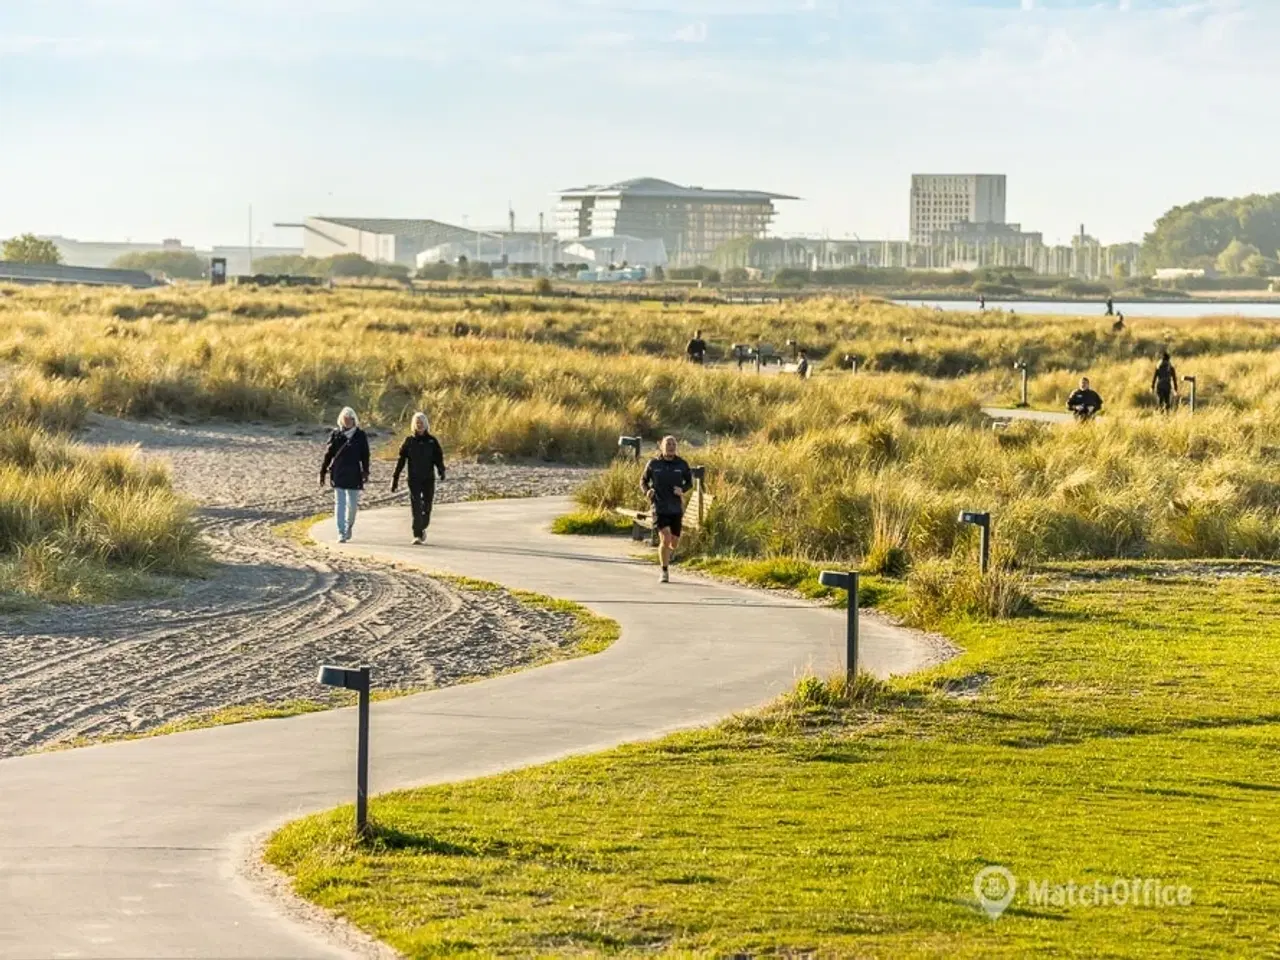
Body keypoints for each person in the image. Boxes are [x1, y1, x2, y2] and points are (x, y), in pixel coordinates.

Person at [641, 435, 693, 584]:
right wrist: (647, 491)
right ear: (661, 446)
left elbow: (689, 482)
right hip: (659, 506)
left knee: (674, 542)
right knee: (666, 538)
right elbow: (643, 481)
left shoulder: (682, 464)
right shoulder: (653, 464)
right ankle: (664, 571)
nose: (671, 446)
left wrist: (682, 489)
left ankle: (668, 554)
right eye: (668, 444)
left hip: (676, 508)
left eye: (673, 444)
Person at [391, 411, 446, 544]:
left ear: (426, 425)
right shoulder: (409, 441)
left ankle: (422, 527)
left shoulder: (432, 441)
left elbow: (438, 458)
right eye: (417, 423)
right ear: (414, 425)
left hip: (428, 478)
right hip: (413, 478)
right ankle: (417, 534)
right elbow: (401, 461)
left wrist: (441, 470)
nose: (419, 425)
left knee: (427, 507)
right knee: (416, 506)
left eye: (422, 423)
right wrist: (395, 478)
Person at [320, 407, 371, 543]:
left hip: (354, 473)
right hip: (339, 473)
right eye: (345, 419)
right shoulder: (336, 435)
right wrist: (323, 471)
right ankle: (341, 532)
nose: (347, 422)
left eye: (350, 419)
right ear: (341, 420)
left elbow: (365, 455)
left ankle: (348, 527)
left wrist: (366, 471)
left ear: (355, 420)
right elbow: (328, 454)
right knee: (340, 504)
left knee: (352, 506)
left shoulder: (360, 435)